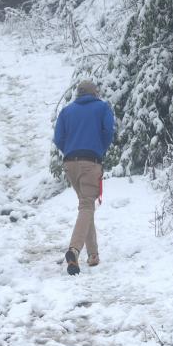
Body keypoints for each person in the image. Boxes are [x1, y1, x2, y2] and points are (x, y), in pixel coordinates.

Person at [53, 80, 115, 276]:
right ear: (94, 93)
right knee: (87, 206)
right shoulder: (102, 107)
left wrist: (70, 150)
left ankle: (93, 254)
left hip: (70, 163)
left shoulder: (66, 111)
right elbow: (108, 132)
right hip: (91, 161)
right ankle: (74, 251)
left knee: (85, 205)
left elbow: (58, 138)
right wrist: (99, 150)